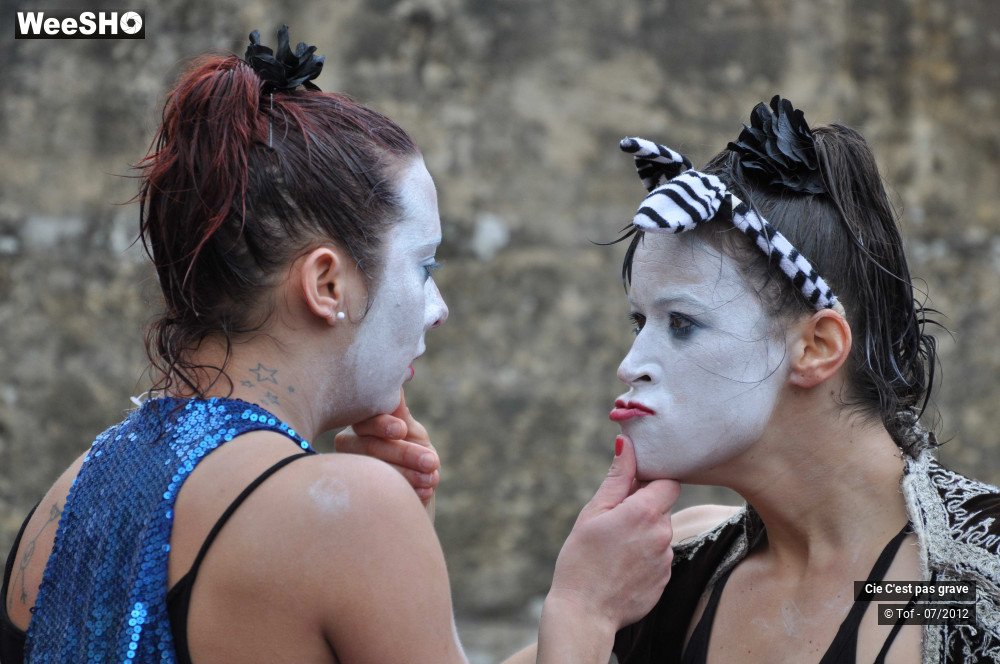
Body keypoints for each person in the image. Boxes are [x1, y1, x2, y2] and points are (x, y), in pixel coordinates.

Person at [0, 26, 681, 663]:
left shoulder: (67, 494)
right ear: (326, 283)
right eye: (425, 268)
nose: (438, 311)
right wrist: (585, 612)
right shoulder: (346, 512)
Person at [367, 97, 1000, 661]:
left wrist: (583, 616)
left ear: (816, 346)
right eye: (640, 321)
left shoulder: (966, 586)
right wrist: (396, 530)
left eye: (683, 324)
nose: (631, 362)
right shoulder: (667, 570)